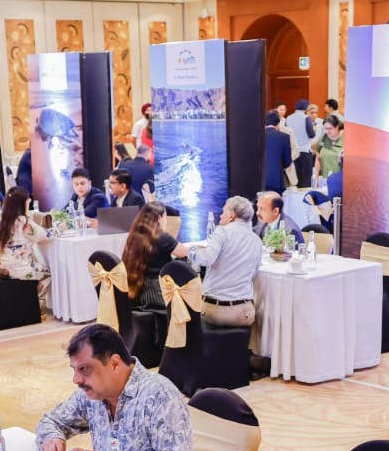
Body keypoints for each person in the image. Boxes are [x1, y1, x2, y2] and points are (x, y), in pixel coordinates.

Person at [37, 323, 205, 451]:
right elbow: (51, 421)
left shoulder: (160, 395)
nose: (76, 380)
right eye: (74, 369)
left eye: (84, 369)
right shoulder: (92, 394)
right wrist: (52, 439)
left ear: (115, 364)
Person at [184, 195, 262, 327]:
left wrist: (191, 251)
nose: (220, 216)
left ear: (231, 215)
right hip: (244, 313)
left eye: (223, 211)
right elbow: (254, 274)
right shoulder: (256, 240)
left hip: (215, 312)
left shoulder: (222, 232)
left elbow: (207, 258)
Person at [0, 187, 49, 305]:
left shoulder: (3, 219)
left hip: (0, 265)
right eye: (28, 200)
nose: (29, 202)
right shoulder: (23, 222)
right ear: (23, 203)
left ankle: (21, 302)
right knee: (48, 273)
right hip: (18, 268)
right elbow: (44, 237)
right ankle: (31, 303)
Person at [122, 202, 176, 308]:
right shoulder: (162, 237)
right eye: (166, 217)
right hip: (156, 294)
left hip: (136, 291)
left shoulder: (134, 235)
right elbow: (185, 252)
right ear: (159, 218)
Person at [288, 99, 318, 187]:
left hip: (293, 151)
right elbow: (311, 134)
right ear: (306, 107)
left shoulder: (289, 118)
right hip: (305, 150)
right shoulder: (305, 118)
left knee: (296, 175)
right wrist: (314, 129)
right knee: (307, 175)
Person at [262, 110, 292, 193]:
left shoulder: (257, 136)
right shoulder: (284, 137)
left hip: (259, 180)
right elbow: (288, 162)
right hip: (277, 180)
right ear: (278, 123)